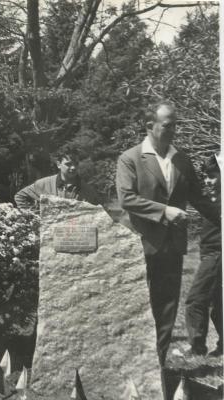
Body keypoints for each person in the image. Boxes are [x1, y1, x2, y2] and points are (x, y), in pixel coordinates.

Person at [116, 101, 219, 400]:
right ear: (150, 126)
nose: (174, 129)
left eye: (175, 124)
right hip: (139, 245)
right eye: (168, 124)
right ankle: (130, 367)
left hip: (172, 248)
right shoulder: (131, 158)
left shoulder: (182, 160)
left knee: (165, 311)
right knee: (137, 309)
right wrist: (165, 211)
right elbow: (127, 199)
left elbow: (200, 199)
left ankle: (157, 367)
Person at [185, 154, 222, 357]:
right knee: (218, 304)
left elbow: (204, 206)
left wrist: (189, 189)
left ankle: (197, 347)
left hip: (216, 255)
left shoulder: (220, 201)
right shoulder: (214, 197)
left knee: (196, 299)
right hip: (209, 253)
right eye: (205, 177)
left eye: (212, 176)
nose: (208, 181)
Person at [15, 146, 100, 210]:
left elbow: (98, 214)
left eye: (76, 163)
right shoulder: (44, 184)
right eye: (68, 164)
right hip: (49, 231)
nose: (73, 167)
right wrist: (35, 215)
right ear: (58, 164)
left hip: (75, 232)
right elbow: (20, 197)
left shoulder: (88, 191)